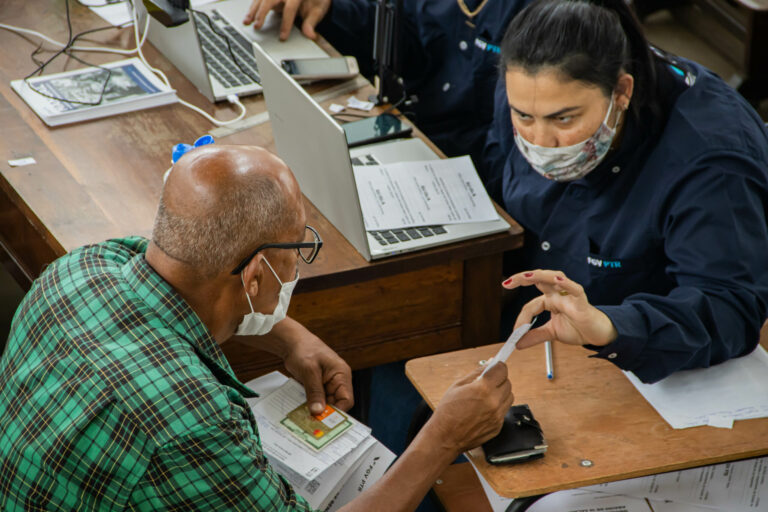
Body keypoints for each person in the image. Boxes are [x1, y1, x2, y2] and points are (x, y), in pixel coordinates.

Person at [0, 144, 513, 511]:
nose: (299, 266)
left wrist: (288, 333)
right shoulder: (192, 421)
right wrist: (443, 438)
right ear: (254, 275)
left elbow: (179, 269)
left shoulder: (81, 268)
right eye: (299, 249)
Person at [483, 0, 768, 383]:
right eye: (524, 117)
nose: (542, 142)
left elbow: (730, 308)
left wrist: (611, 326)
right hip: (522, 328)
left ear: (621, 91)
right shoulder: (530, 88)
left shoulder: (710, 161)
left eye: (563, 119)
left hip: (635, 365)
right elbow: (496, 168)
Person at [243, 0, 532, 198]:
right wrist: (329, 7)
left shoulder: (548, 16)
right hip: (406, 139)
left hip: (482, 182)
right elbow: (396, 35)